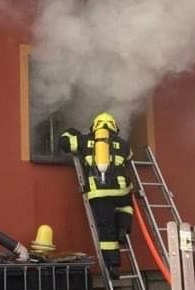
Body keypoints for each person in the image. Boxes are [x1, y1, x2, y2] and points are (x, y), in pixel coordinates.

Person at [59, 112, 133, 277]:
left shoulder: (84, 140)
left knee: (106, 229)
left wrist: (71, 131)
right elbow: (130, 157)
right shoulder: (123, 144)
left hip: (99, 192)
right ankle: (123, 229)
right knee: (127, 206)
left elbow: (64, 142)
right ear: (114, 127)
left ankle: (112, 264)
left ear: (95, 127)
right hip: (121, 189)